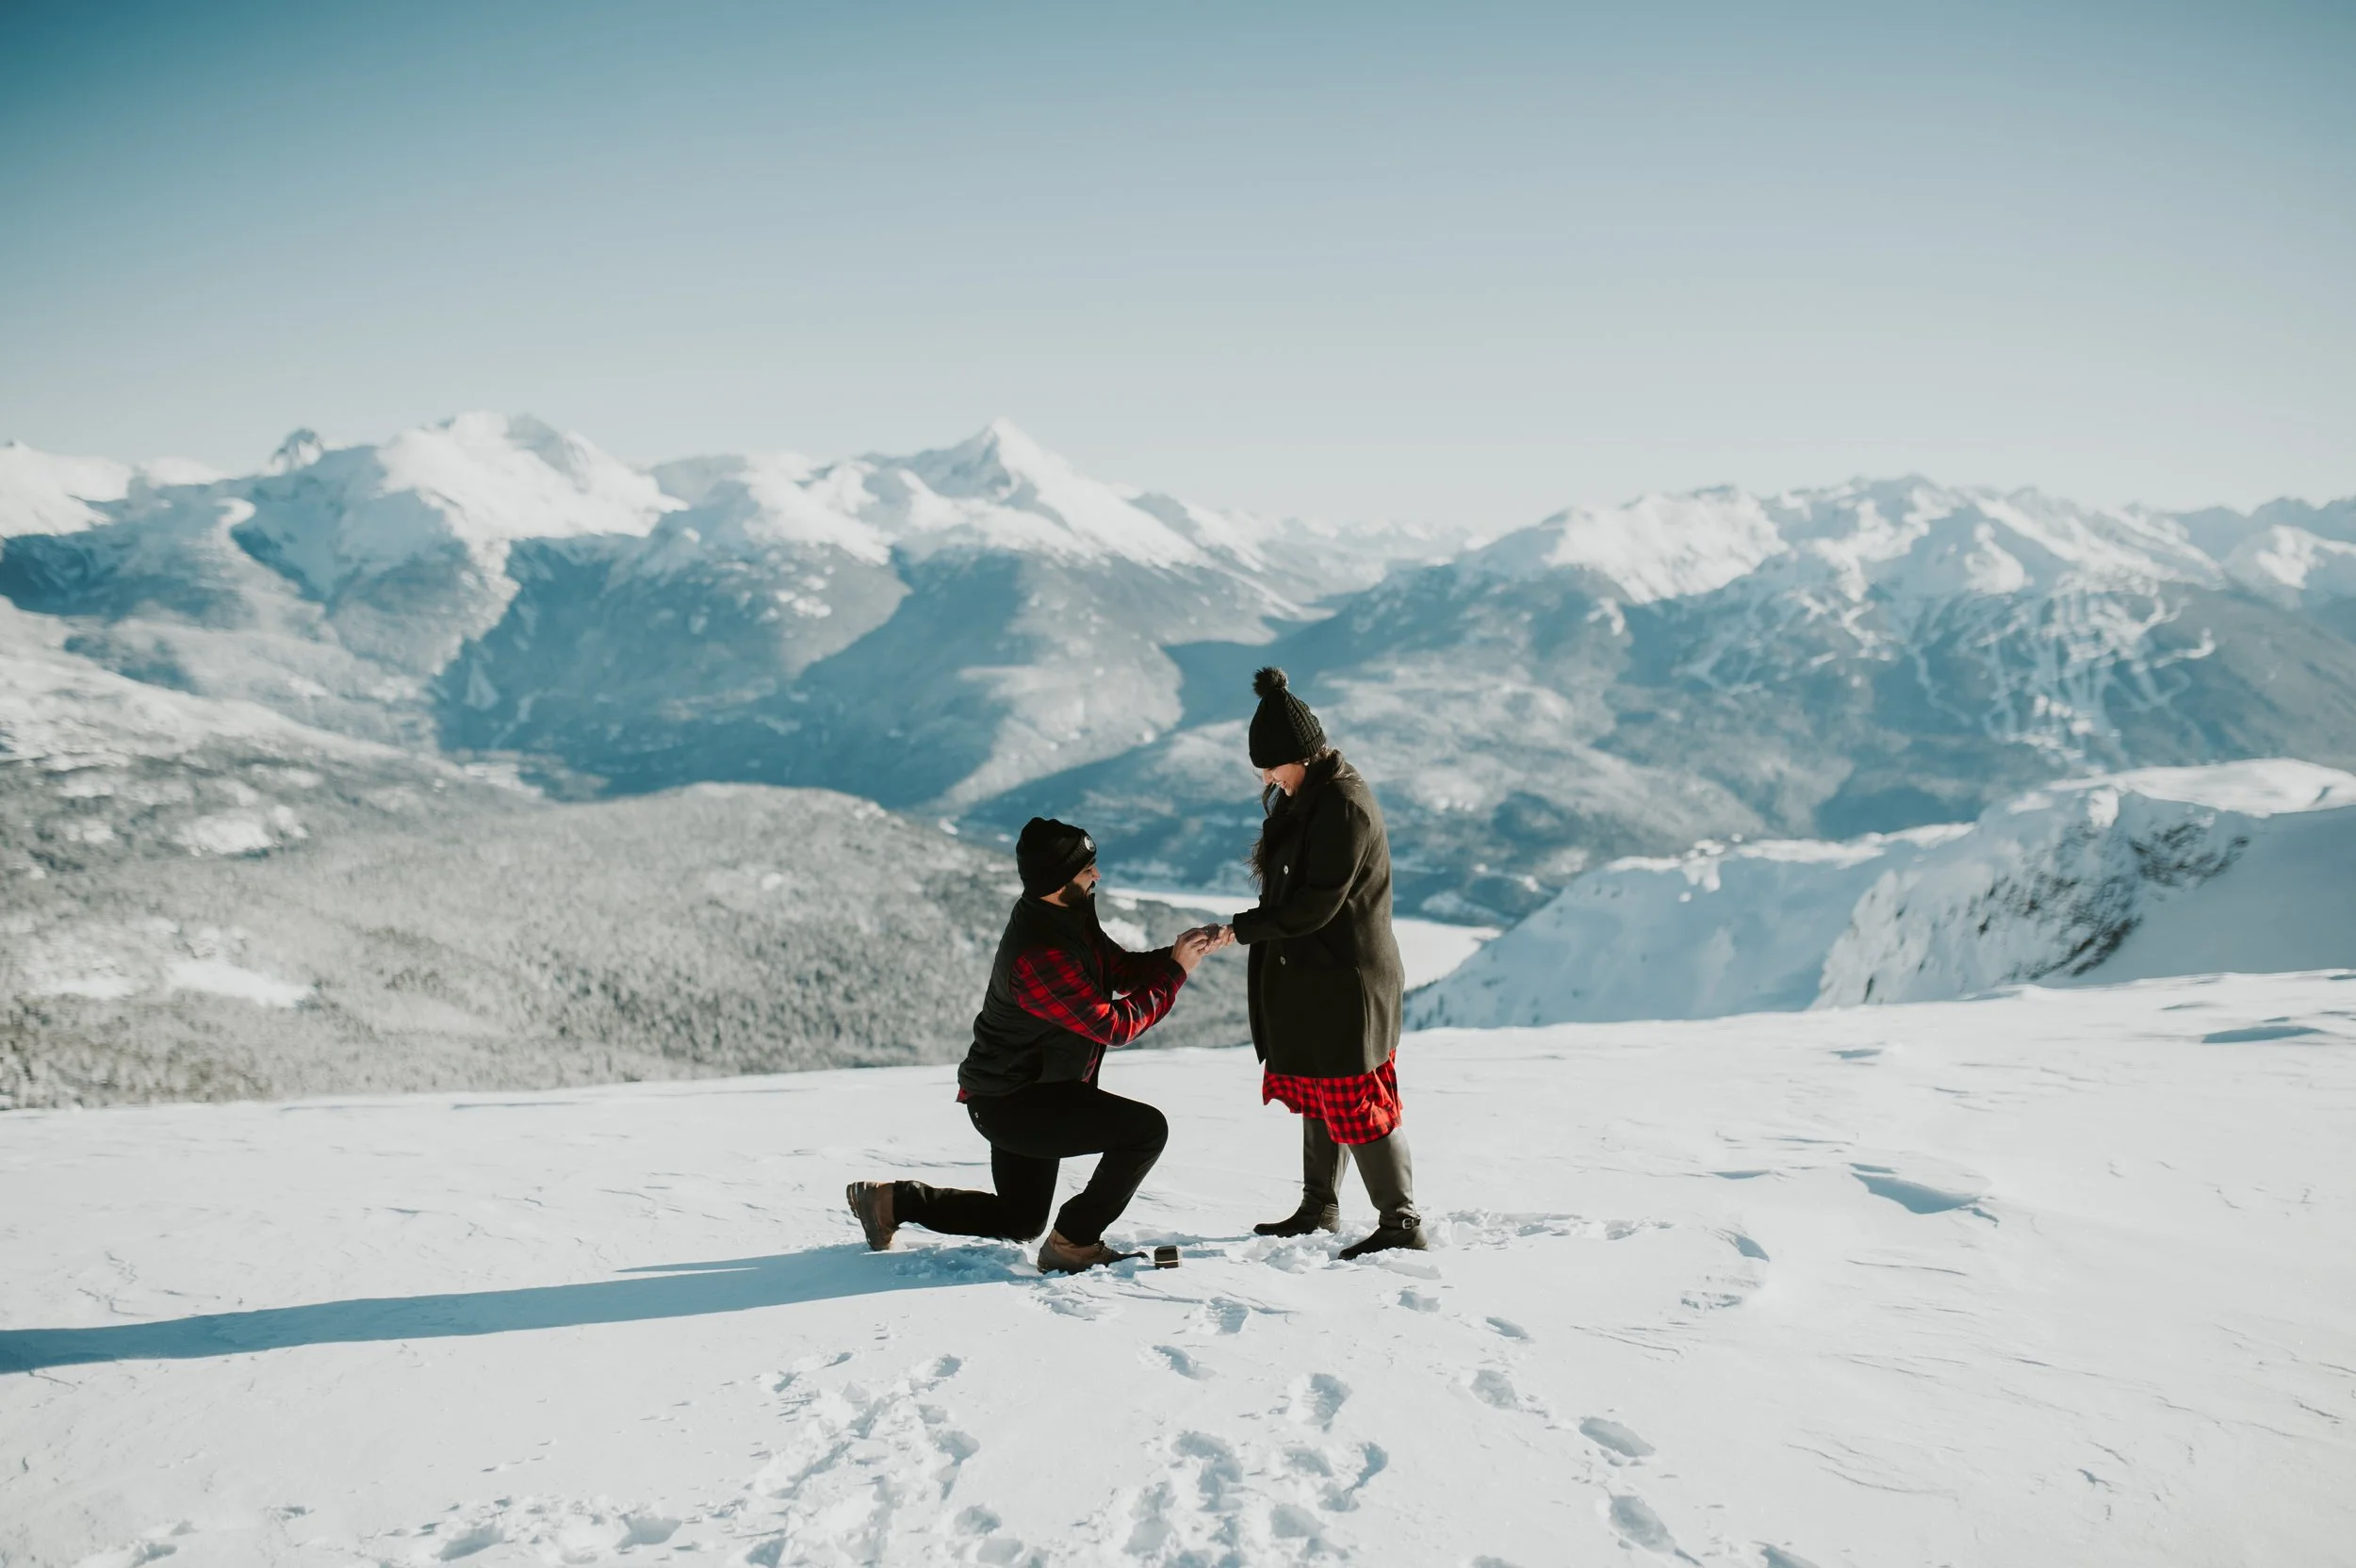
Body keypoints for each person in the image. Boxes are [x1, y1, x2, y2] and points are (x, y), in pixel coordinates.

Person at [847, 817, 1227, 1274]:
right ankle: (1074, 1243)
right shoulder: (1039, 954)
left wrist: (1182, 952)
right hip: (1014, 1102)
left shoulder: (1067, 917)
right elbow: (1116, 1026)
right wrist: (1176, 972)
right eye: (1088, 871)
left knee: (1021, 1218)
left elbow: (1119, 970)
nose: (1097, 877)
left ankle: (889, 1202)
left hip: (1035, 1091)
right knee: (1146, 1131)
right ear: (1058, 880)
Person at [1219, 667, 1422, 1258]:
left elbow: (1314, 905)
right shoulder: (1308, 796)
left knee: (1355, 1097)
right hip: (1315, 978)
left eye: (1271, 765)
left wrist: (1240, 931)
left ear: (1302, 755)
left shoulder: (1343, 808)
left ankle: (1401, 1221)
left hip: (1346, 982)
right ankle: (1319, 1207)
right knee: (1318, 1088)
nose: (1266, 777)